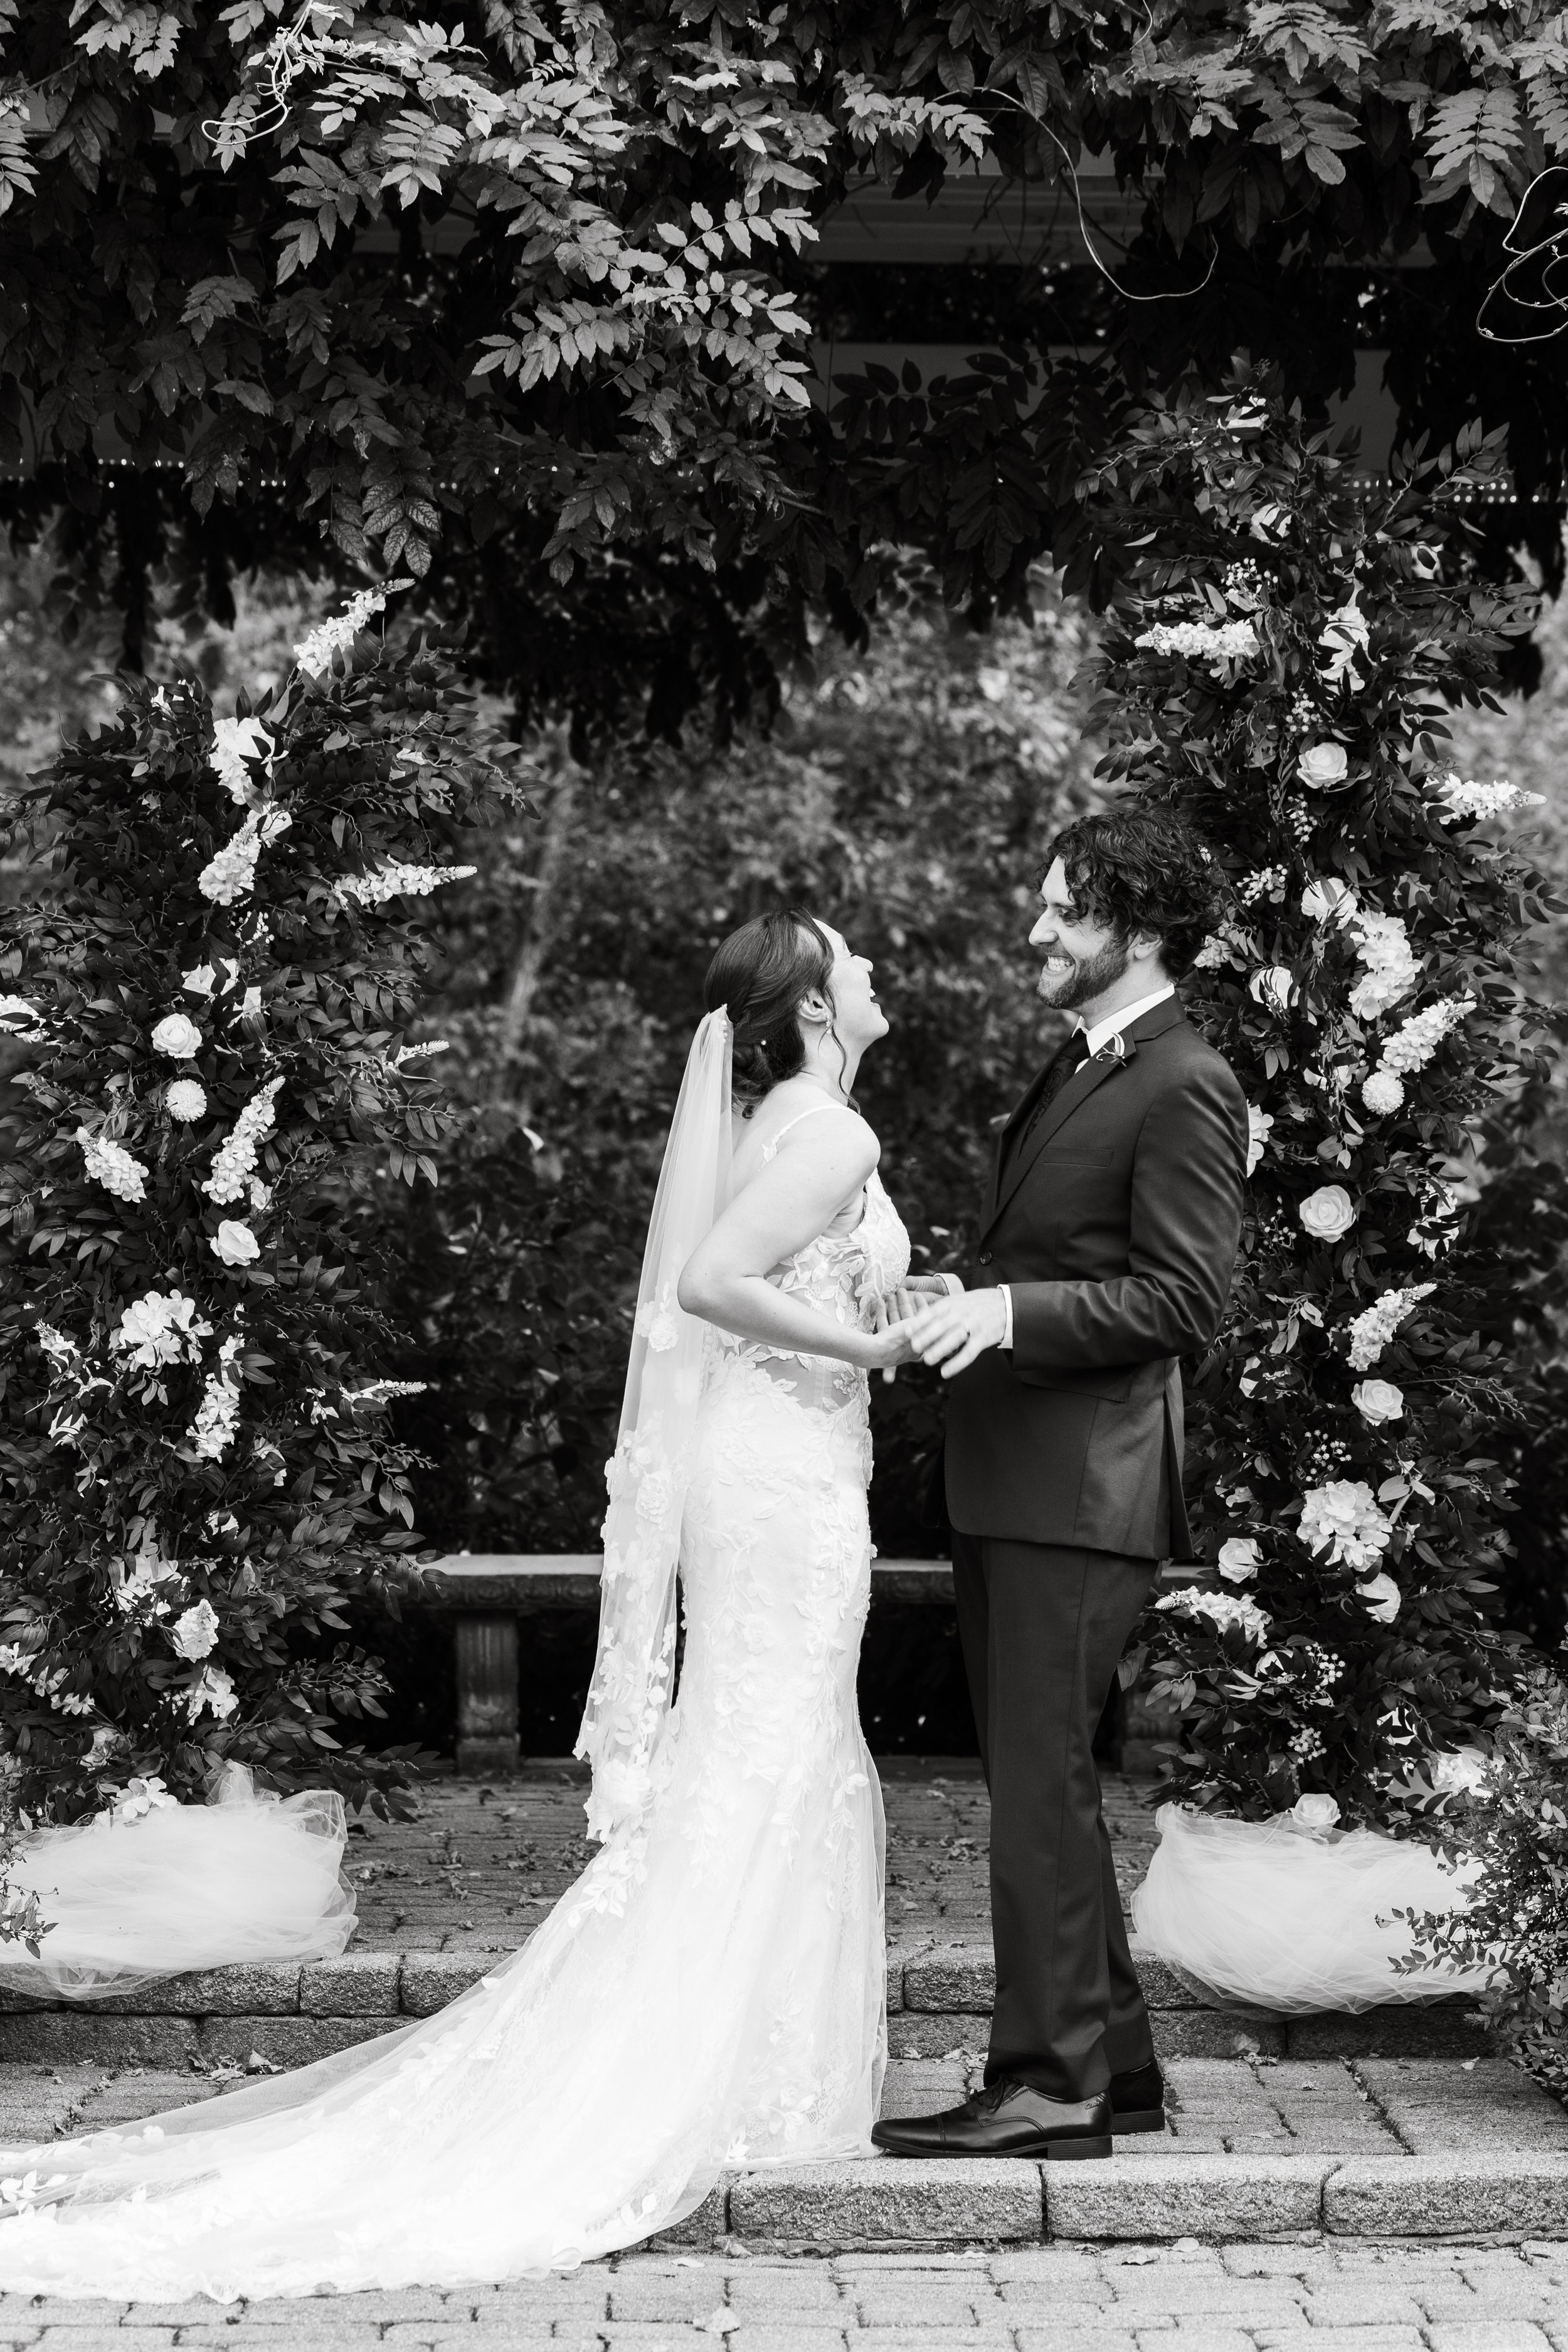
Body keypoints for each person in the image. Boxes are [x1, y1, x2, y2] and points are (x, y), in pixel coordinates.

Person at [0, 911, 930, 2299]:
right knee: (774, 1748)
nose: (872, 973)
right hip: (785, 1477)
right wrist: (870, 1339)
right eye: (850, 962)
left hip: (783, 1460)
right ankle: (733, 2077)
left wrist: (901, 1307)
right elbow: (713, 1286)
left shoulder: (786, 1128)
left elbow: (763, 1278)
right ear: (809, 1005)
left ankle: (740, 2061)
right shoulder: (832, 1135)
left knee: (762, 1749)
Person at [872, 808, 1249, 2164]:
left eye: (1063, 913)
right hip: (1014, 1478)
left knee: (1039, 1793)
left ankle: (1045, 2084)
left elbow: (1182, 1297)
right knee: (1043, 1787)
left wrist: (1017, 1314)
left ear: (1138, 930)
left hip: (1080, 1491)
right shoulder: (1082, 1060)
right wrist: (963, 1294)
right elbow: (1055, 1252)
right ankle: (1122, 2067)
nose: (1035, 929)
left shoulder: (1183, 1079)